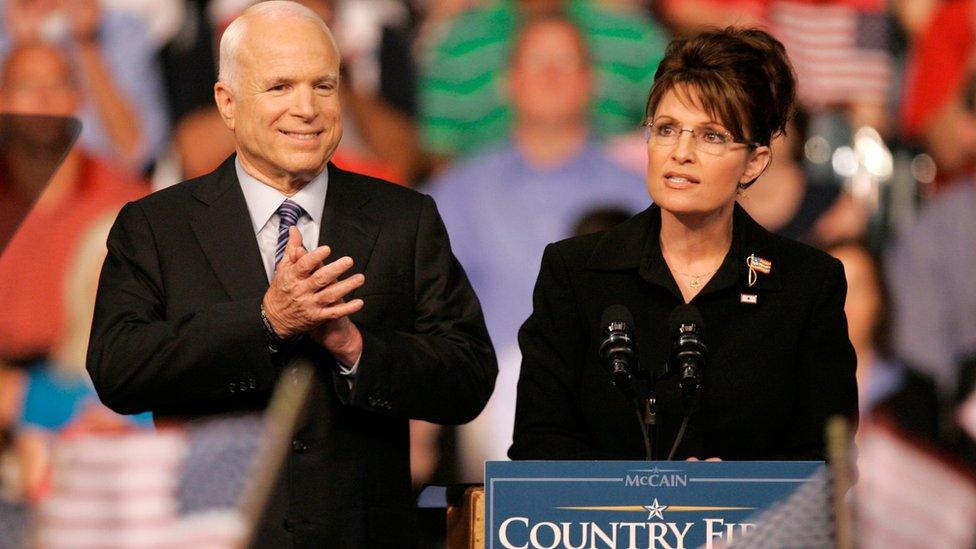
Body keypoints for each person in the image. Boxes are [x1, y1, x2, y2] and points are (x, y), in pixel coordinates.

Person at [85, 2, 496, 546]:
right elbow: (118, 369)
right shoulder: (157, 226)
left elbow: (469, 376)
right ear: (227, 103)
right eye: (279, 87)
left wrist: (356, 350)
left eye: (323, 86)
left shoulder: (405, 218)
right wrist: (266, 322)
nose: (307, 108)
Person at [509, 27, 858, 461]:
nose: (681, 152)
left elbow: (828, 460)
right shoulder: (575, 271)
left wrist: (732, 492)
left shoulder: (806, 284)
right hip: (604, 527)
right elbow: (538, 443)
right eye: (668, 129)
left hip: (753, 529)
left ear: (754, 163)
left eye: (711, 135)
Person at [426, 13, 649, 478]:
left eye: (565, 61)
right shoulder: (458, 192)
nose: (551, 74)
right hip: (493, 390)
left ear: (591, 81)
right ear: (509, 81)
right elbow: (426, 312)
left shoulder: (640, 193)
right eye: (537, 60)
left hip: (614, 386)